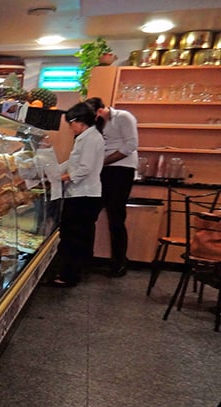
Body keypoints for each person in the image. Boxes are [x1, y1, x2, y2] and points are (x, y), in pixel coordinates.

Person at [52, 101, 105, 287]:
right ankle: (67, 273)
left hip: (84, 196)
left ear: (80, 121)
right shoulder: (86, 137)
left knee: (74, 237)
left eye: (70, 122)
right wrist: (54, 171)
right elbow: (72, 162)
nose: (69, 126)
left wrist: (63, 178)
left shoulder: (91, 139)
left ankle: (68, 276)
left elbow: (84, 169)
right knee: (72, 235)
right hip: (81, 195)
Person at [85, 96, 139, 277]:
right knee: (90, 212)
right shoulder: (98, 125)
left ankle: (119, 262)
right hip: (103, 171)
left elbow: (131, 144)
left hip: (121, 171)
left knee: (116, 217)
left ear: (100, 111)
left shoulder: (124, 117)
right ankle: (87, 259)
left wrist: (104, 162)